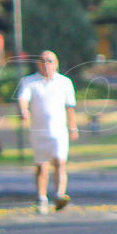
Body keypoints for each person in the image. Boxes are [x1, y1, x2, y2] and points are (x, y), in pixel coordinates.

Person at [17, 50, 79, 214]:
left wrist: (72, 126)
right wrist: (23, 110)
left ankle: (59, 194)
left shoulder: (65, 82)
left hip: (59, 131)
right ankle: (41, 197)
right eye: (43, 61)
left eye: (50, 61)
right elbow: (23, 98)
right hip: (39, 131)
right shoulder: (29, 82)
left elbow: (69, 107)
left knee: (60, 162)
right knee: (41, 166)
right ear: (38, 64)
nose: (46, 64)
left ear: (56, 63)